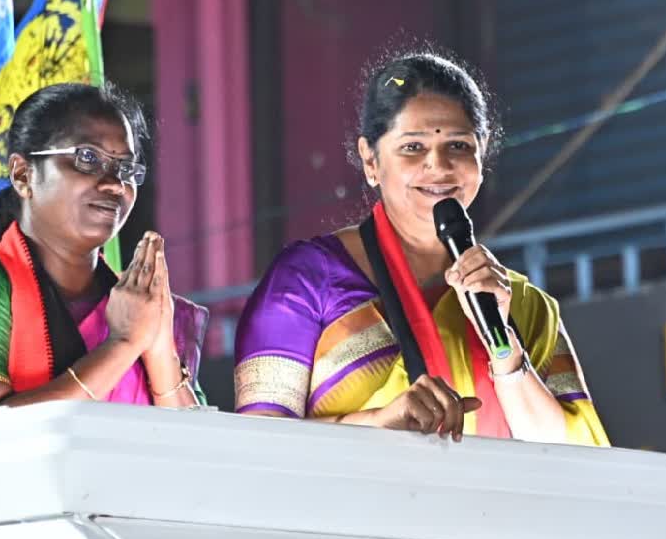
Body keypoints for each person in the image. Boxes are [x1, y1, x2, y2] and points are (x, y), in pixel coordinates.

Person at [233, 51, 608, 445]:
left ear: (482, 154)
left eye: (459, 146)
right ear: (370, 160)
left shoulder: (526, 306)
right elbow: (258, 448)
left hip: (488, 507)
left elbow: (581, 461)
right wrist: (380, 423)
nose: (439, 167)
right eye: (413, 147)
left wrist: (507, 352)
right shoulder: (307, 279)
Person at [0, 82, 208, 416]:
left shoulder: (141, 304)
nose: (113, 183)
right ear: (23, 174)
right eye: (87, 158)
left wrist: (156, 344)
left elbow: (199, 450)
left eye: (125, 168)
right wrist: (122, 344)